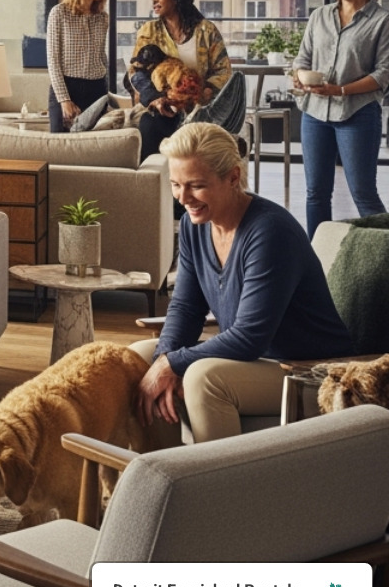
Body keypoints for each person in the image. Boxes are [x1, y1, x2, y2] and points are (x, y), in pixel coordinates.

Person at [131, 123, 353, 444]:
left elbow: (249, 337)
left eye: (196, 185)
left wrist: (174, 363)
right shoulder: (196, 225)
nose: (183, 198)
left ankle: (223, 491)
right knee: (140, 357)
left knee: (203, 378)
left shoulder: (270, 232)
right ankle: (166, 475)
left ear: (233, 177)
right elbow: (186, 307)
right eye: (176, 184)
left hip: (308, 370)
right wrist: (163, 359)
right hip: (254, 361)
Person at [291, 0, 389, 237]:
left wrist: (341, 90)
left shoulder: (382, 21)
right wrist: (300, 77)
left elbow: (383, 73)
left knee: (363, 193)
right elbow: (301, 59)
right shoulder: (319, 16)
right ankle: (317, 262)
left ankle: (382, 257)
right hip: (315, 113)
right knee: (316, 194)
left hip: (358, 114)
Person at [128, 0, 232, 160]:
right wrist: (156, 99)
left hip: (199, 106)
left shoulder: (207, 30)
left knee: (198, 134)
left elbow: (223, 70)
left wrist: (203, 91)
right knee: (149, 124)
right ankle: (152, 182)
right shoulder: (149, 30)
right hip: (163, 106)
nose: (154, 0)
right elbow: (136, 72)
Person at [46, 0, 110, 132]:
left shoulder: (103, 18)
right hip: (67, 87)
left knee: (93, 149)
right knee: (60, 147)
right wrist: (64, 99)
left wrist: (108, 90)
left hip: (96, 89)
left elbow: (102, 56)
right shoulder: (59, 13)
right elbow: (53, 60)